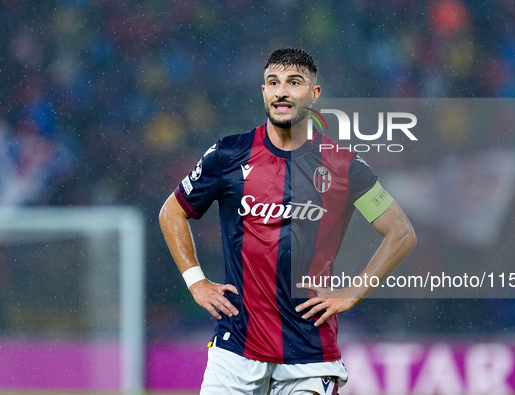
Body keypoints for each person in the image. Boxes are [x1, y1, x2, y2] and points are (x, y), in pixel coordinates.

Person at [159, 47, 416, 395]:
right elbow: (172, 211)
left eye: (294, 82)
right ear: (264, 92)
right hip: (235, 347)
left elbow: (400, 232)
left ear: (314, 93)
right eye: (273, 82)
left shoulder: (343, 166)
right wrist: (195, 281)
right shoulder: (228, 154)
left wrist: (354, 291)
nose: (282, 91)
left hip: (309, 353)